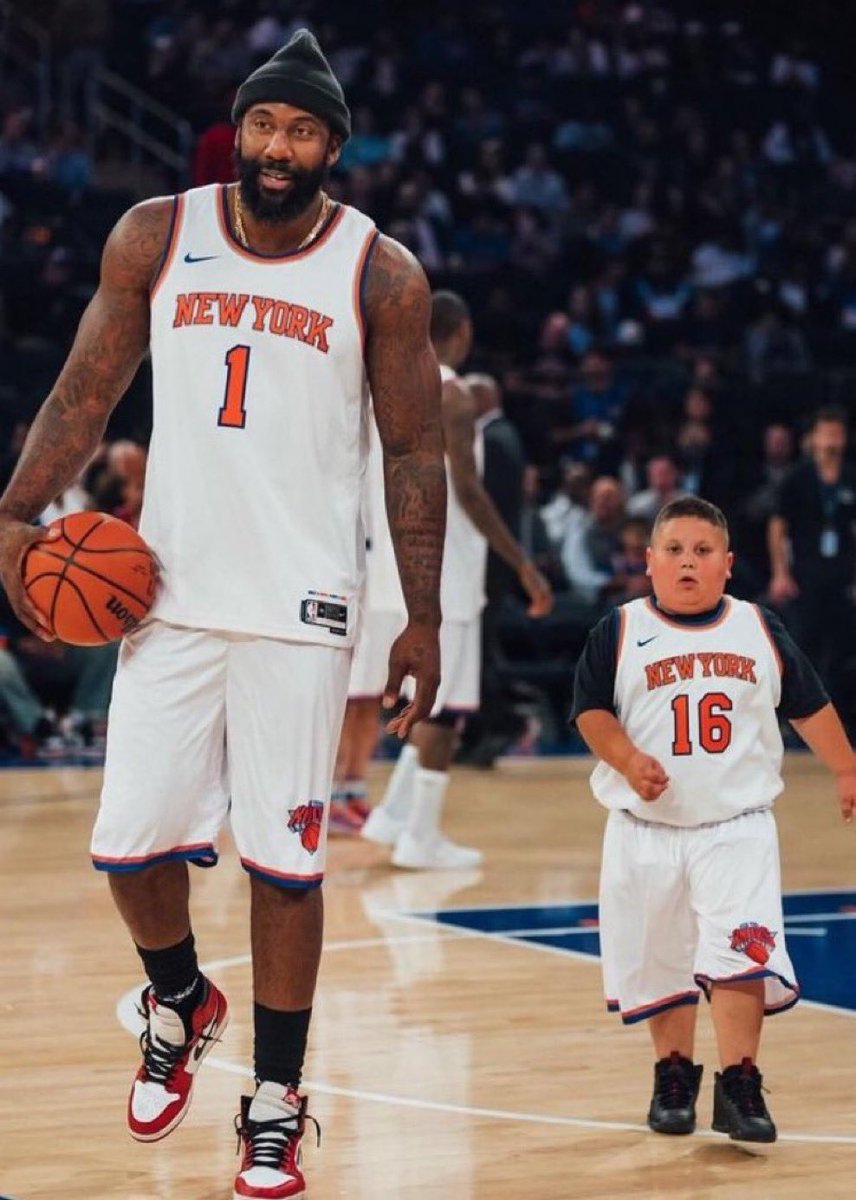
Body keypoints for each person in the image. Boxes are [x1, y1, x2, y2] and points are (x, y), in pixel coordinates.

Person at [0, 31, 447, 1200]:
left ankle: (278, 1099)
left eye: (301, 132)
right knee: (126, 844)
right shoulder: (157, 232)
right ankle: (183, 996)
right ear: (237, 130)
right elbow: (84, 389)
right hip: (170, 590)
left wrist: (423, 616)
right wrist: (16, 510)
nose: (278, 148)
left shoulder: (380, 272)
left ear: (334, 150)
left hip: (304, 602)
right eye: (263, 126)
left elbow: (413, 450)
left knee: (285, 866)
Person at [572, 496, 856, 1143]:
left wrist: (845, 767)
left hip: (737, 826)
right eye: (674, 551)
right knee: (663, 958)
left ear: (728, 565)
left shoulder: (758, 628)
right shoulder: (618, 630)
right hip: (645, 828)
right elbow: (589, 711)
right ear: (649, 562)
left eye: (703, 552)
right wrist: (626, 757)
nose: (688, 563)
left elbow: (809, 703)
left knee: (740, 952)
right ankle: (673, 1074)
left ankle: (741, 1082)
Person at [362, 290, 552, 869]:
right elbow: (468, 492)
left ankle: (392, 817)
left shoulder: (380, 388)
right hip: (446, 570)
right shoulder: (455, 395)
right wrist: (521, 562)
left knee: (420, 701)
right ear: (462, 331)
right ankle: (421, 838)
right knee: (446, 710)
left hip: (388, 566)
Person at [768, 407, 856, 711]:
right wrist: (780, 572)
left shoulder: (850, 476)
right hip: (805, 574)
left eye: (837, 434)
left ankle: (840, 717)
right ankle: (797, 716)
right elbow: (778, 526)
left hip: (843, 575)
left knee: (843, 649)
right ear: (814, 438)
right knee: (803, 647)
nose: (832, 440)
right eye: (826, 433)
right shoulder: (798, 477)